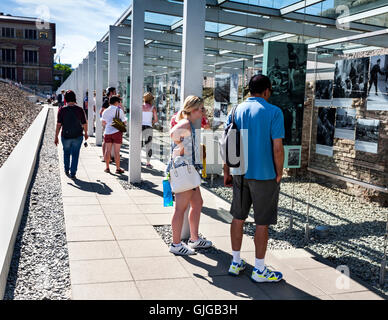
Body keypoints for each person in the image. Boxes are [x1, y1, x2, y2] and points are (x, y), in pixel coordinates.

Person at [224, 74, 285, 283]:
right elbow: (277, 148)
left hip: (240, 173)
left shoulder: (234, 111)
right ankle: (259, 269)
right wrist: (280, 171)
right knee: (262, 223)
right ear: (267, 91)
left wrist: (226, 171)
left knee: (238, 218)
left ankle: (235, 261)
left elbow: (227, 144)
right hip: (265, 175)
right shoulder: (274, 112)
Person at [167, 96, 212, 256]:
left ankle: (194, 239)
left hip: (189, 171)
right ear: (193, 109)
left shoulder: (188, 123)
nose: (203, 112)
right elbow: (173, 134)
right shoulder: (185, 123)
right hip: (184, 170)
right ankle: (176, 244)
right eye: (201, 109)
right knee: (180, 209)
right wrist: (180, 147)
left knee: (198, 203)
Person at [54, 90, 88, 179]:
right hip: (78, 135)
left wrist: (56, 136)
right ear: (74, 98)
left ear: (65, 98)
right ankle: (73, 173)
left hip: (65, 136)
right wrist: (86, 133)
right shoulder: (80, 110)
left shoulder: (62, 110)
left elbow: (58, 125)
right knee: (75, 154)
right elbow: (84, 123)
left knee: (66, 152)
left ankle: (66, 169)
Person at [101, 95, 126, 174]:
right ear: (116, 102)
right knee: (116, 152)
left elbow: (103, 122)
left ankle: (107, 167)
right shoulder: (119, 111)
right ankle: (118, 169)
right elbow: (124, 121)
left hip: (107, 132)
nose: (119, 103)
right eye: (119, 101)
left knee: (107, 150)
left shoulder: (105, 111)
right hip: (117, 132)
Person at [142, 92, 158, 169]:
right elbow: (156, 119)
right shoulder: (153, 108)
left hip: (140, 127)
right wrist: (151, 122)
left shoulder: (140, 107)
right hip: (148, 127)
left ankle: (136, 161)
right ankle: (148, 163)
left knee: (138, 145)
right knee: (148, 146)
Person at [100, 87, 116, 162]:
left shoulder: (113, 100)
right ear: (111, 92)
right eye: (114, 91)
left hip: (113, 124)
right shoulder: (107, 100)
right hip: (107, 124)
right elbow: (101, 111)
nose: (115, 93)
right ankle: (104, 156)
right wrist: (105, 121)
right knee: (105, 141)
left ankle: (109, 156)